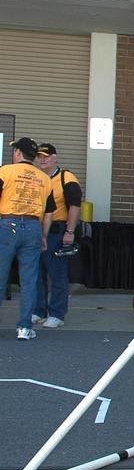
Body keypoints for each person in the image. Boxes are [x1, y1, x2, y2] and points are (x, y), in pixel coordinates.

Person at [0, 137, 55, 340]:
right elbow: (49, 213)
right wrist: (43, 236)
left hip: (7, 225)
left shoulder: (4, 172)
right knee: (29, 279)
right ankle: (24, 327)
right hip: (33, 227)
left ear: (17, 153)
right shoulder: (44, 179)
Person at [33, 142, 82, 328]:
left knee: (57, 273)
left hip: (57, 230)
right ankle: (39, 310)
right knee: (36, 273)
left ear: (55, 158)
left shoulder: (66, 178)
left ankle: (57, 313)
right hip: (36, 230)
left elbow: (75, 206)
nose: (42, 160)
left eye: (46, 156)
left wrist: (70, 231)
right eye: (39, 156)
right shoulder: (36, 177)